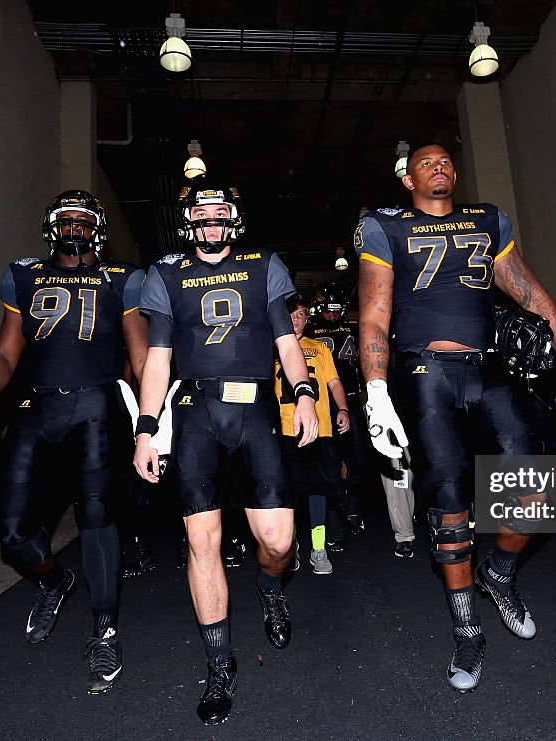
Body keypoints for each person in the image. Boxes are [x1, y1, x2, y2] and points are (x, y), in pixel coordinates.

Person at [356, 143, 556, 692]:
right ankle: (467, 628)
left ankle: (500, 573)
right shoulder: (384, 227)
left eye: (445, 160)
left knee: (538, 486)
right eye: (425, 162)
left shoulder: (487, 219)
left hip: (489, 369)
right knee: (448, 496)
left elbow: (526, 289)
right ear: (407, 177)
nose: (438, 166)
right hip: (425, 370)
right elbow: (374, 312)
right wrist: (375, 392)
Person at [133, 180, 318, 726]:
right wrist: (146, 428)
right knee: (200, 538)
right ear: (189, 221)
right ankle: (219, 663)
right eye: (202, 213)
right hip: (194, 409)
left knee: (280, 541)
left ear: (232, 219)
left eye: (220, 213)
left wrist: (304, 394)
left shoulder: (264, 264)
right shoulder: (166, 272)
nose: (211, 221)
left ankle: (268, 586)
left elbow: (287, 342)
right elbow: (158, 359)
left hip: (256, 405)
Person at [0, 189, 148, 694]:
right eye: (65, 217)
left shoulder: (123, 278)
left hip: (97, 404)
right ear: (52, 225)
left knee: (97, 514)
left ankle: (105, 628)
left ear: (98, 226)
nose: (74, 225)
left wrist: (150, 418)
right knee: (11, 531)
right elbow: (7, 350)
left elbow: (139, 354)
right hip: (37, 407)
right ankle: (55, 581)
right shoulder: (23, 274)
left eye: (82, 218)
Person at [277, 295, 350, 574]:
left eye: (301, 315)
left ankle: (318, 548)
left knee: (319, 490)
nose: (296, 320)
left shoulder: (319, 348)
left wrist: (342, 408)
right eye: (291, 315)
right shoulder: (272, 348)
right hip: (284, 431)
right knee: (288, 493)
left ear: (307, 320)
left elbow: (333, 382)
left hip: (319, 429)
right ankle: (291, 546)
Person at [307, 282, 369, 541]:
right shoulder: (308, 330)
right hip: (321, 403)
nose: (332, 316)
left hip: (351, 399)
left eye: (336, 311)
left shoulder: (355, 327)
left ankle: (351, 504)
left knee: (358, 459)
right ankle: (332, 513)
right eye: (328, 311)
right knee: (326, 461)